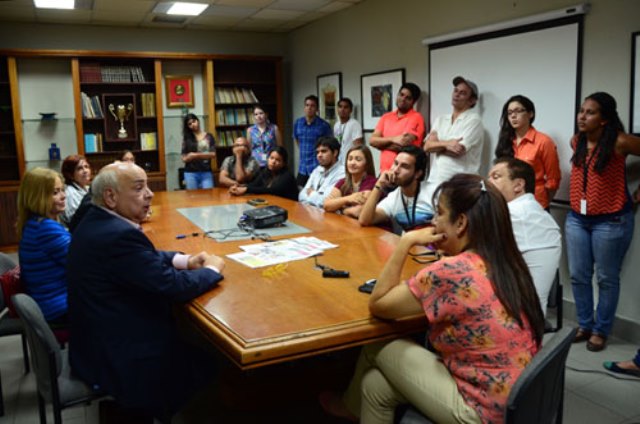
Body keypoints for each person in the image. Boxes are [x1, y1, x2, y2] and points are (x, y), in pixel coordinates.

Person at [321, 174, 545, 424]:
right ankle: (355, 408)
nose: (434, 222)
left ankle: (349, 408)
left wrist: (405, 242)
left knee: (377, 343)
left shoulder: (451, 271)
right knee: (375, 386)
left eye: (439, 214)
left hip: (481, 413)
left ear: (460, 223)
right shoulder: (506, 261)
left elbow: (379, 304)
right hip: (518, 401)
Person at [67, 161, 225, 419]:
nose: (150, 194)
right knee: (212, 357)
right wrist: (212, 270)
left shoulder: (95, 219)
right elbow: (171, 286)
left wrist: (184, 260)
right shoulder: (117, 235)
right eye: (139, 188)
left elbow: (142, 258)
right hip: (119, 354)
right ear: (110, 197)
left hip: (94, 339)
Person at [566, 92, 640, 352]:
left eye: (590, 112)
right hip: (577, 219)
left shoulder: (620, 142)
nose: (582, 116)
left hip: (611, 221)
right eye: (581, 111)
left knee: (607, 278)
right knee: (578, 276)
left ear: (604, 119)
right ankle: (585, 324)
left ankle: (601, 330)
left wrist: (638, 195)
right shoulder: (577, 141)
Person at [488, 157, 562, 316]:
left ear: (518, 185)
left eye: (496, 177)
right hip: (520, 311)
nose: (487, 183)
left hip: (515, 319)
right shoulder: (531, 210)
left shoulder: (517, 215)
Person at [17, 167, 70, 326]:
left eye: (62, 190)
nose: (63, 196)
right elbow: (82, 262)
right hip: (59, 307)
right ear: (38, 197)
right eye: (55, 192)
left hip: (48, 303)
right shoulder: (46, 229)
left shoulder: (32, 223)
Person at [495, 94, 561, 209]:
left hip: (535, 204)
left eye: (518, 111)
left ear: (530, 114)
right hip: (508, 203)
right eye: (510, 113)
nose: (513, 116)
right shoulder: (506, 140)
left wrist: (543, 204)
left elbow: (553, 180)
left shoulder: (544, 141)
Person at [423, 76, 484, 189]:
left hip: (460, 184)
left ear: (472, 100)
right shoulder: (440, 119)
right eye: (455, 90)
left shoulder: (474, 120)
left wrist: (436, 145)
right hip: (435, 180)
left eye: (463, 93)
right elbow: (427, 147)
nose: (456, 94)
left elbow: (458, 151)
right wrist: (447, 144)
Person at [358, 145, 433, 232]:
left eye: (404, 166)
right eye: (396, 163)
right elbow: (364, 220)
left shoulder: (434, 193)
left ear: (418, 174)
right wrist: (378, 185)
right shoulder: (394, 197)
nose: (396, 170)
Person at [370, 83, 425, 172]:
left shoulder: (416, 117)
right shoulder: (386, 117)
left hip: (402, 174)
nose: (403, 99)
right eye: (401, 95)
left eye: (408, 98)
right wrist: (394, 139)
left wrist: (380, 145)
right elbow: (372, 141)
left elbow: (404, 146)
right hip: (384, 172)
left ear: (413, 102)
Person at [324, 145, 377, 218]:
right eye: (350, 159)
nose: (352, 163)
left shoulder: (372, 182)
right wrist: (349, 198)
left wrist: (340, 208)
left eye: (358, 159)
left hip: (374, 228)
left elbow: (358, 212)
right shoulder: (343, 182)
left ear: (367, 164)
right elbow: (327, 205)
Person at [229, 146, 298, 201]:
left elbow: (273, 190)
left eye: (278, 160)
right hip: (273, 204)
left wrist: (246, 189)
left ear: (283, 163)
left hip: (288, 206)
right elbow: (254, 185)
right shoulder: (265, 171)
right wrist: (239, 187)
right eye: (271, 158)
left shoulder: (287, 176)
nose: (273, 162)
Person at [294, 95, 333, 187]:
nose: (309, 108)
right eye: (307, 105)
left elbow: (330, 145)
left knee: (315, 194)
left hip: (317, 166)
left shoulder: (324, 125)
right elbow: (297, 139)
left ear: (317, 109)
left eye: (312, 106)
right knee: (300, 195)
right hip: (302, 167)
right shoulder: (298, 123)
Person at [298, 136, 345, 208]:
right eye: (317, 152)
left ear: (335, 153)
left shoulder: (342, 173)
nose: (319, 155)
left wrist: (312, 193)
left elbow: (327, 202)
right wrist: (317, 197)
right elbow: (301, 195)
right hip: (310, 212)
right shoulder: (317, 170)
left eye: (324, 151)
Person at [181, 113, 216, 190]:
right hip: (191, 173)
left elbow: (213, 154)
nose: (193, 124)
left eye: (194, 121)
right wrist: (189, 157)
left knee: (209, 196)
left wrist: (194, 155)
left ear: (198, 121)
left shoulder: (209, 136)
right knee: (193, 199)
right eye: (190, 124)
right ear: (188, 127)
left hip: (206, 171)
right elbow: (183, 158)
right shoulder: (187, 138)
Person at [60, 154, 91, 226]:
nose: (85, 171)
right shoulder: (70, 193)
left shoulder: (87, 188)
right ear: (70, 175)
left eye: (86, 167)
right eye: (80, 168)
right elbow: (75, 221)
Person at [333, 97, 363, 164]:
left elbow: (358, 146)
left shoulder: (354, 124)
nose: (342, 109)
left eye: (346, 107)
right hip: (338, 162)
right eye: (340, 107)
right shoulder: (336, 125)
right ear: (337, 109)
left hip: (349, 161)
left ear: (350, 110)